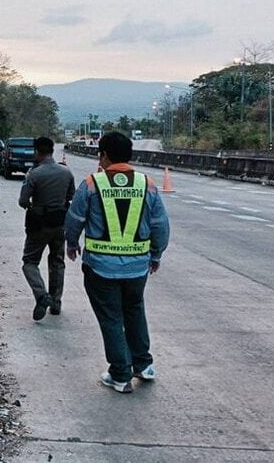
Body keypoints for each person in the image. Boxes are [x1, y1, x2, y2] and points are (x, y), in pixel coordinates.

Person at [65, 131, 169, 394]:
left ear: (104, 155)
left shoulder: (92, 184)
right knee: (134, 310)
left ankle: (120, 374)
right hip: (137, 268)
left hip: (101, 267)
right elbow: (160, 225)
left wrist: (72, 243)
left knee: (111, 317)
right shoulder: (148, 185)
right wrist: (155, 254)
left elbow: (75, 217)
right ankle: (143, 364)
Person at [18, 136, 76, 321]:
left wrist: (33, 206)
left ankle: (42, 295)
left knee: (30, 261)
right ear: (51, 150)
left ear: (37, 152)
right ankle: (56, 303)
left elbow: (23, 201)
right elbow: (71, 196)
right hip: (59, 223)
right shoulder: (66, 172)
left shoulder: (34, 174)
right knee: (57, 262)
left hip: (38, 225)